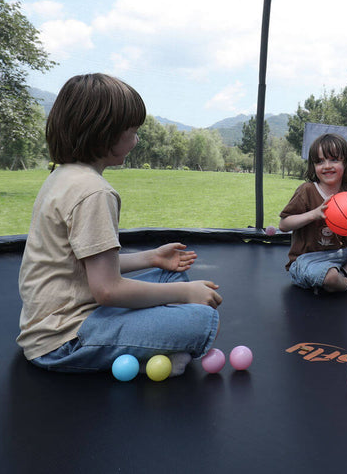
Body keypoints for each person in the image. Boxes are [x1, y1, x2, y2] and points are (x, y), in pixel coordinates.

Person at [17, 73, 221, 375]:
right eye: (132, 131)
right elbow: (108, 291)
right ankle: (154, 351)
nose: (136, 140)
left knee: (169, 276)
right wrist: (186, 294)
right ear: (105, 134)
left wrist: (151, 258)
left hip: (56, 322)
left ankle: (152, 339)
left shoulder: (62, 176)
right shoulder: (94, 192)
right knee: (201, 319)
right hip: (64, 341)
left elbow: (82, 266)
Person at [279, 132, 347, 293]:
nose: (327, 166)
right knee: (329, 276)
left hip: (338, 256)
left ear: (346, 164)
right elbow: (283, 225)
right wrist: (314, 214)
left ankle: (337, 279)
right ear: (313, 166)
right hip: (305, 261)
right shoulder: (307, 190)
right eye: (320, 161)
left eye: (334, 160)